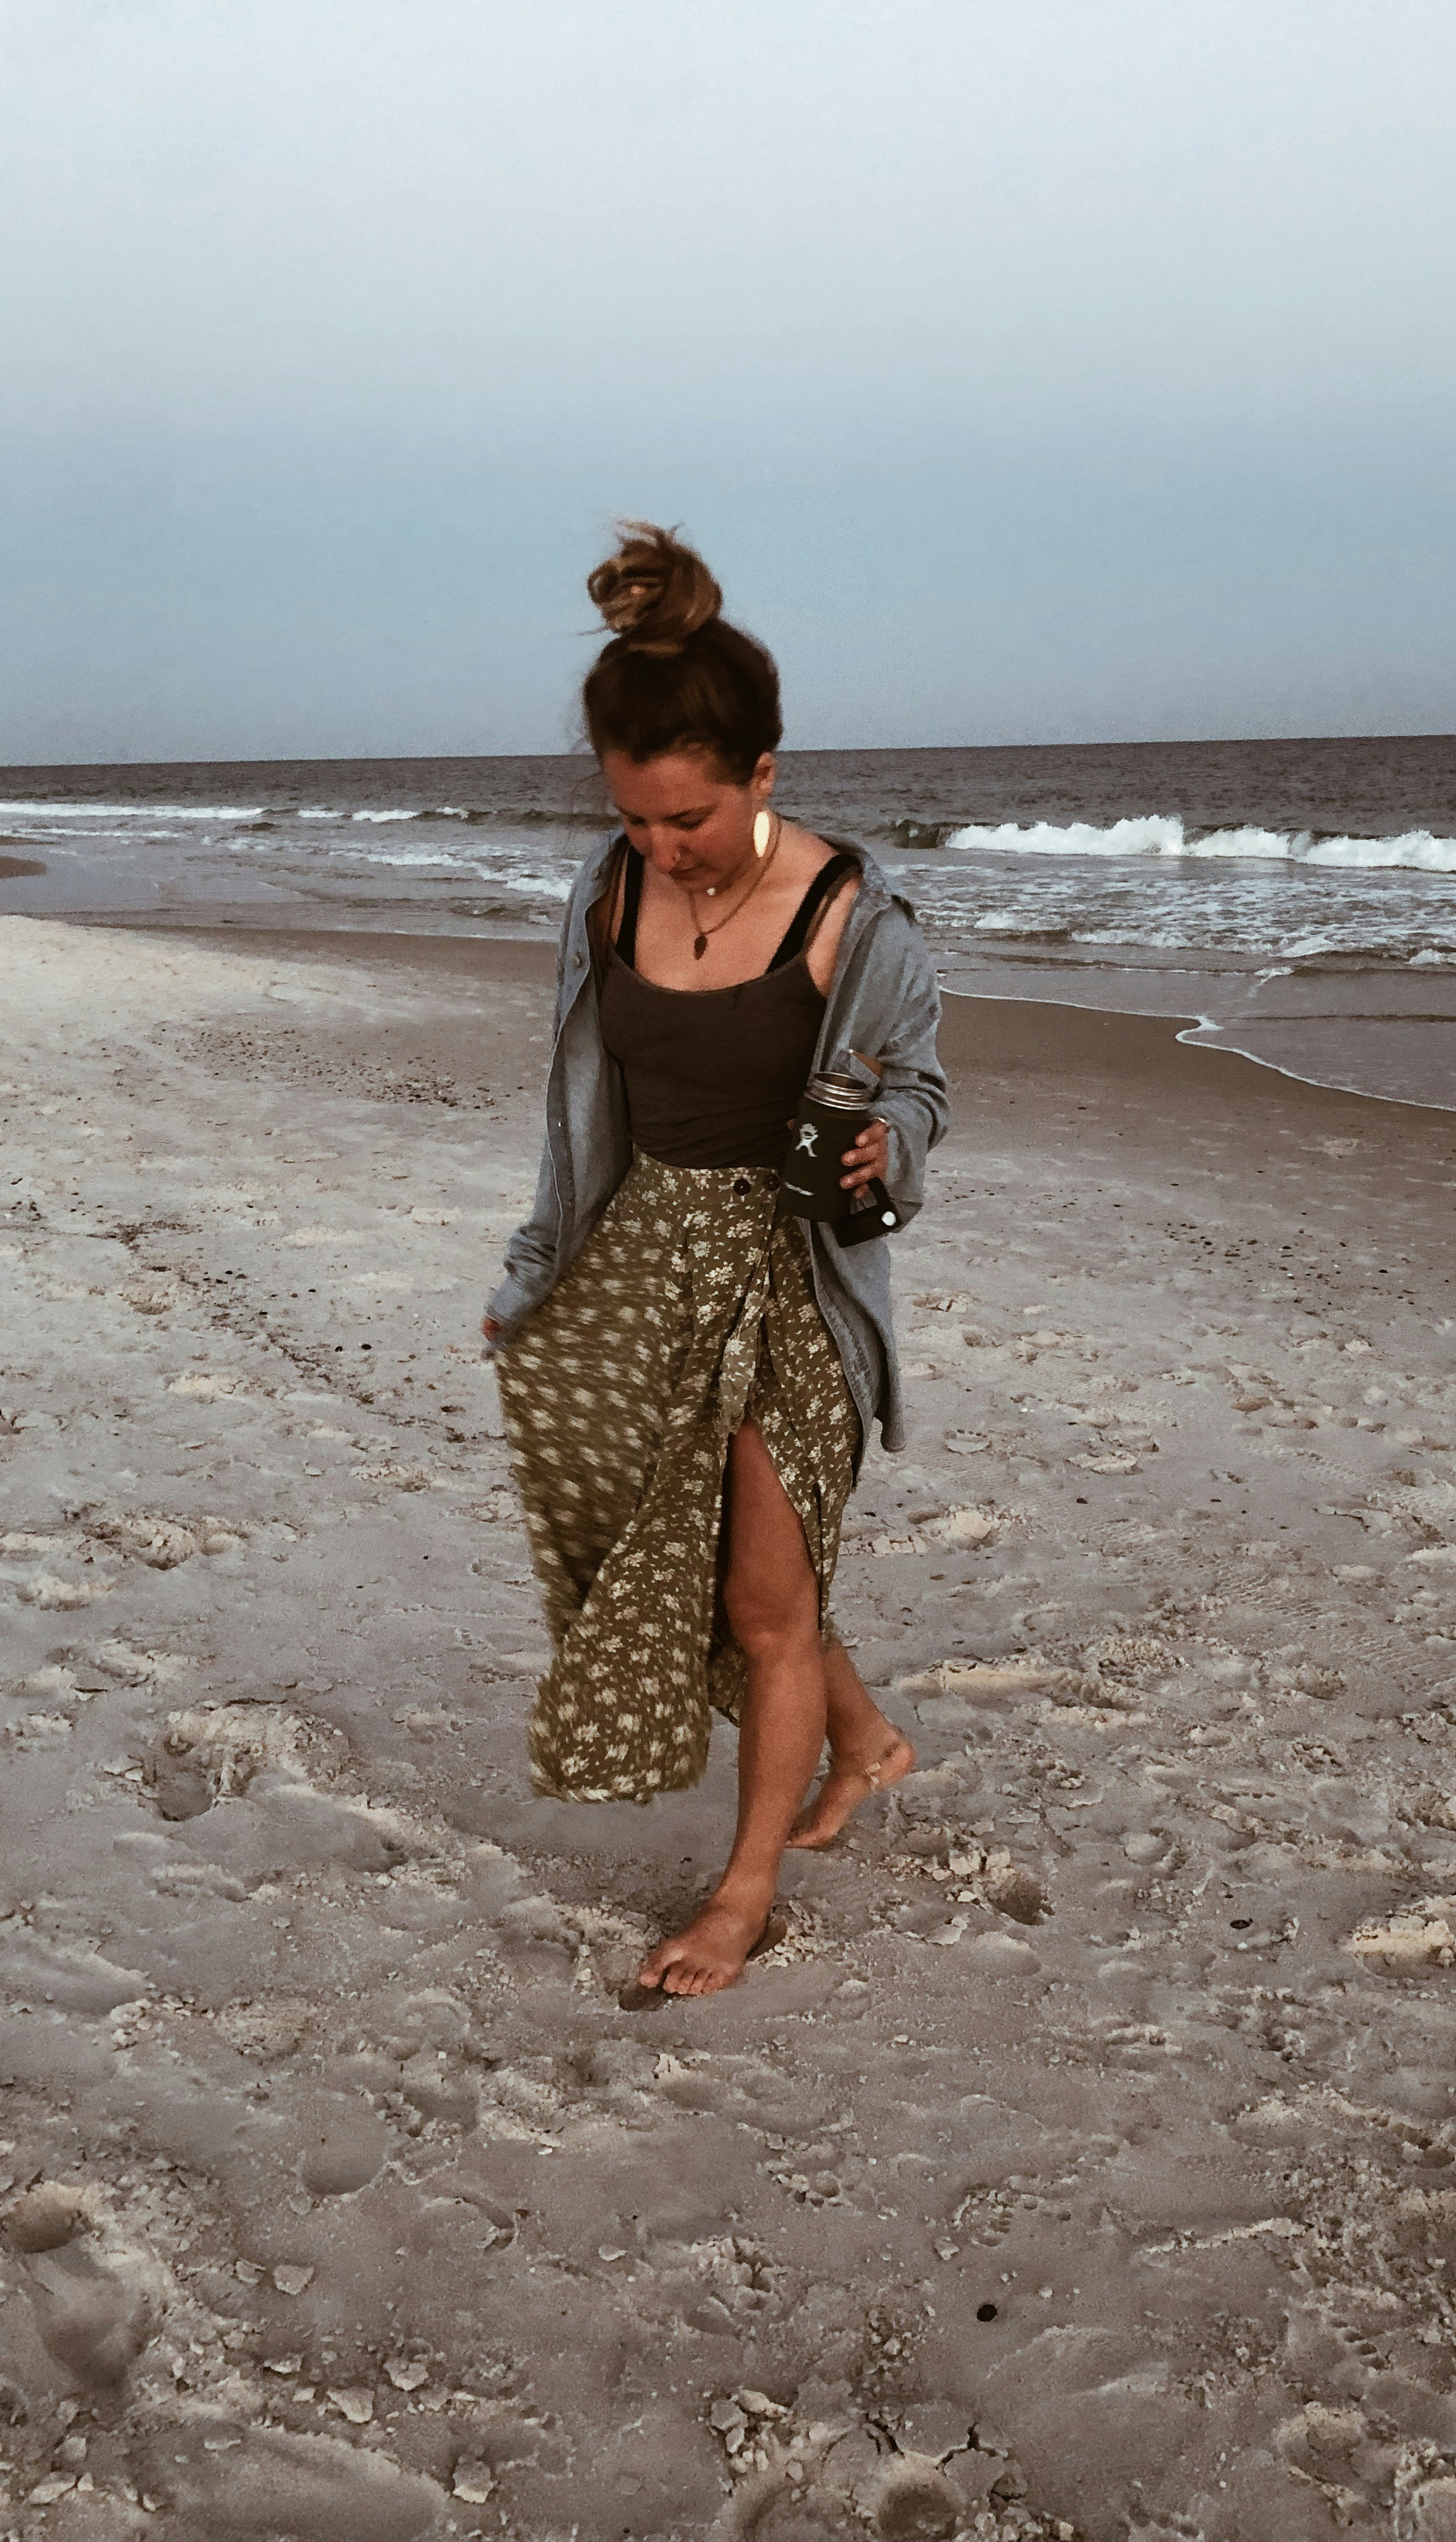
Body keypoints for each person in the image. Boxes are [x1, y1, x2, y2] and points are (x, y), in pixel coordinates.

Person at [482, 524, 949, 1998]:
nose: (660, 849)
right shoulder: (607, 895)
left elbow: (921, 1091)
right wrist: (537, 1274)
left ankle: (743, 1896)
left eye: (686, 818)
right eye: (633, 820)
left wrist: (890, 1147)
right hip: (643, 1267)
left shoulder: (854, 921)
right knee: (694, 1568)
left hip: (791, 1281)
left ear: (763, 774)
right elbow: (578, 1117)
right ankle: (861, 1740)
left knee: (758, 1598)